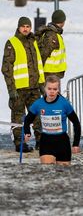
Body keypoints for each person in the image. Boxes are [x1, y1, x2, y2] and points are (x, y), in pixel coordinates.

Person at [1, 16, 45, 152]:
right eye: (23, 26)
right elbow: (6, 68)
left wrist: (42, 84)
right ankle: (20, 143)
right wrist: (11, 90)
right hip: (19, 89)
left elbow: (38, 65)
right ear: (19, 27)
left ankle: (40, 141)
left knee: (37, 115)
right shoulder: (12, 43)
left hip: (34, 87)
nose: (25, 29)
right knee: (18, 116)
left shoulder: (33, 42)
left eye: (28, 26)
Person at [23, 75, 81, 165]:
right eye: (49, 89)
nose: (52, 92)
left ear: (58, 90)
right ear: (45, 89)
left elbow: (76, 123)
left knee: (63, 174)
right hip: (46, 141)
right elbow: (27, 119)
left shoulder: (64, 103)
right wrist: (27, 132)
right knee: (47, 171)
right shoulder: (38, 104)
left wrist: (76, 143)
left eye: (55, 89)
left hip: (62, 141)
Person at [35, 9, 67, 79]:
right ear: (62, 21)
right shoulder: (52, 35)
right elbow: (44, 54)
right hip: (49, 74)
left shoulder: (55, 34)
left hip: (53, 73)